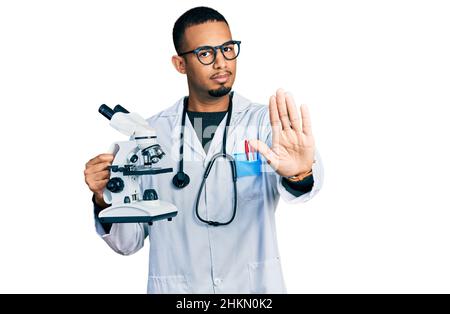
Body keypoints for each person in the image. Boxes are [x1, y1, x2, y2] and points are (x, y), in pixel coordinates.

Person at [84, 6, 323, 293]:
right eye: (206, 53)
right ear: (180, 64)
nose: (221, 62)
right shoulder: (148, 137)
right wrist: (103, 199)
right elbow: (127, 242)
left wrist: (300, 174)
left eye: (227, 49)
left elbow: (304, 188)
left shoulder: (265, 124)